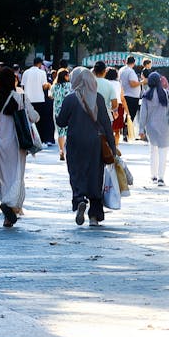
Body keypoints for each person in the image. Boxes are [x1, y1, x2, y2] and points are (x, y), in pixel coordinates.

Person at [55, 67, 116, 226]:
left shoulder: (70, 99)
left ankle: (80, 198)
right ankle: (94, 215)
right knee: (95, 175)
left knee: (76, 172)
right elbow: (106, 124)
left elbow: (61, 122)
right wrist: (112, 146)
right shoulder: (99, 98)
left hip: (75, 142)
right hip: (96, 142)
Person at [0, 68, 39, 227]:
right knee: (17, 175)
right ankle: (10, 206)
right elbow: (34, 117)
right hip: (18, 144)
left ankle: (7, 209)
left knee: (3, 178)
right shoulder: (21, 98)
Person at [141, 72, 169, 187]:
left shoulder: (146, 95)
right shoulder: (167, 94)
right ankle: (161, 178)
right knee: (163, 152)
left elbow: (143, 115)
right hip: (165, 127)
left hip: (150, 127)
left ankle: (153, 176)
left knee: (153, 151)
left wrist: (140, 129)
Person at [21, 57, 53, 147]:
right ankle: (41, 141)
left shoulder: (26, 72)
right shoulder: (42, 73)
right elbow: (44, 86)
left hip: (28, 99)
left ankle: (30, 140)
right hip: (39, 99)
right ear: (40, 64)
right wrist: (49, 85)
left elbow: (22, 86)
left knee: (29, 121)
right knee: (40, 121)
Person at [118, 55, 142, 142]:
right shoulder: (130, 71)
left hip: (124, 94)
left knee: (127, 115)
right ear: (134, 63)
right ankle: (127, 134)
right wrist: (141, 82)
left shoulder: (121, 70)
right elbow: (132, 83)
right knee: (131, 115)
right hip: (132, 96)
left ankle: (125, 133)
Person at [50, 68, 72, 161]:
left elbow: (51, 96)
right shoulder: (69, 85)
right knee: (69, 130)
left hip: (57, 111)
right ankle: (69, 150)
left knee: (60, 132)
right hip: (68, 110)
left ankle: (61, 150)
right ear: (66, 76)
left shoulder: (54, 86)